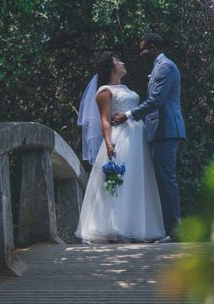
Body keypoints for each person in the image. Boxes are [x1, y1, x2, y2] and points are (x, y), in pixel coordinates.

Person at [75, 53, 165, 243]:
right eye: (118, 61)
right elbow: (105, 120)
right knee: (119, 181)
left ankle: (136, 227)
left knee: (136, 181)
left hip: (137, 138)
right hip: (121, 138)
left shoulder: (125, 88)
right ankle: (114, 227)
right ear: (111, 68)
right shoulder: (104, 91)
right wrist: (108, 143)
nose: (123, 63)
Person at [112, 33, 186, 242]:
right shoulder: (157, 68)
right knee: (163, 182)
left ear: (153, 47)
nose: (141, 53)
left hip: (166, 131)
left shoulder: (165, 67)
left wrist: (128, 115)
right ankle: (170, 230)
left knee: (167, 181)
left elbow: (156, 101)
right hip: (158, 132)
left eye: (144, 48)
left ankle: (176, 232)